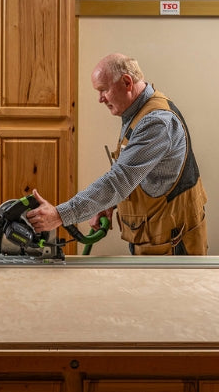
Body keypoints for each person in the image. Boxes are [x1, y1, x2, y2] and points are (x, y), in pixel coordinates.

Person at [26, 52, 207, 255]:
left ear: (127, 82)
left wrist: (60, 215)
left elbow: (119, 180)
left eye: (103, 90)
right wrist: (108, 204)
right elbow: (137, 173)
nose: (100, 99)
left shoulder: (156, 123)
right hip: (155, 239)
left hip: (173, 246)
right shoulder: (137, 113)